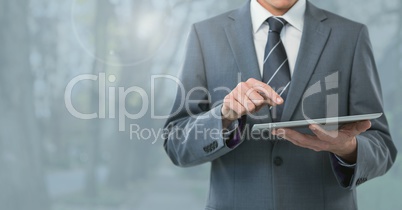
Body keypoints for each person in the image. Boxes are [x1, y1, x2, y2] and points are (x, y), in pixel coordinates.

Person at [163, 0, 397, 209]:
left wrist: (348, 149)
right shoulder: (205, 35)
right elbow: (177, 144)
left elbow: (382, 147)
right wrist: (223, 116)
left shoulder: (350, 35)